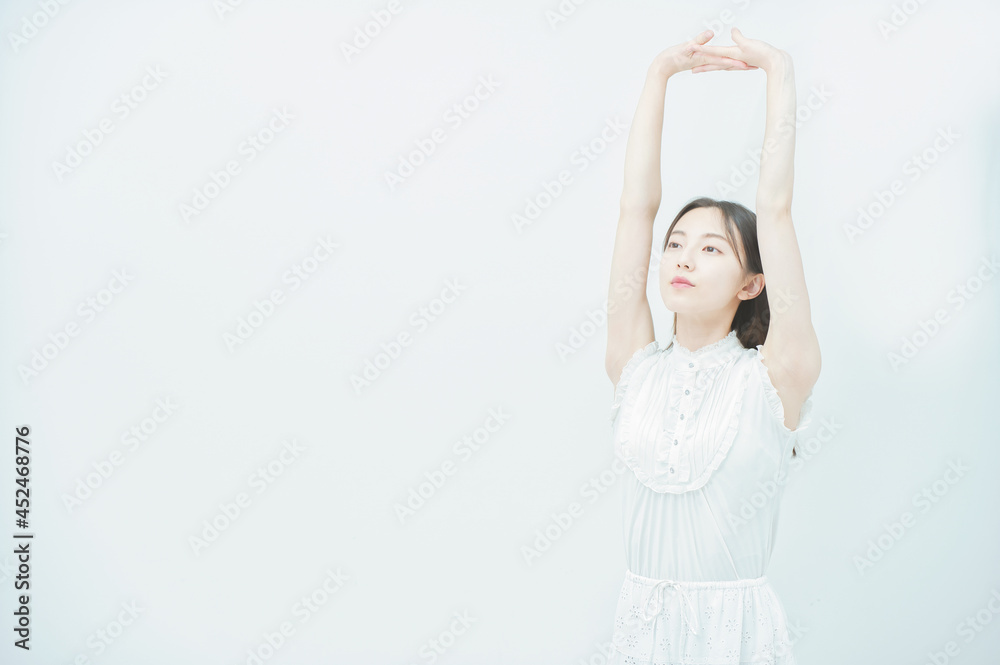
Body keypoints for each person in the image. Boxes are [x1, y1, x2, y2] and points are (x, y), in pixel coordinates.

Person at [604, 28, 821, 665]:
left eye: (710, 248)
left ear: (752, 282)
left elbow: (774, 210)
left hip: (735, 640)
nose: (683, 258)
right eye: (676, 245)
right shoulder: (636, 368)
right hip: (642, 637)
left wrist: (779, 72)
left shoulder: (775, 376)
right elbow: (635, 209)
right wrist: (658, 75)